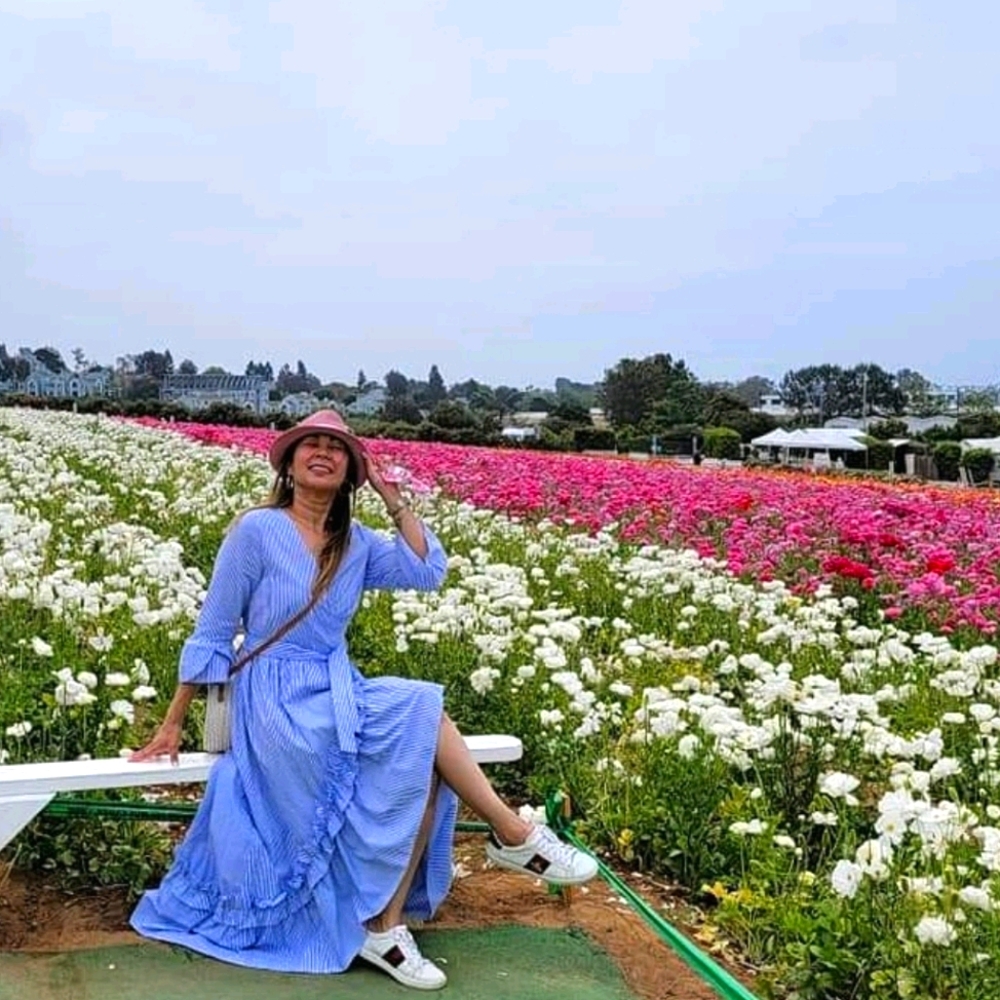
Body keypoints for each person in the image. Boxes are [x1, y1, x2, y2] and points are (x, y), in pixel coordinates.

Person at [129, 410, 596, 991]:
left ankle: (386, 923)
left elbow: (427, 571)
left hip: (334, 688)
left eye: (337, 448)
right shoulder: (255, 530)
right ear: (289, 464)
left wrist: (391, 497)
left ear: (352, 468)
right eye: (310, 445)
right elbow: (214, 628)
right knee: (422, 711)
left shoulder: (357, 543)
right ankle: (510, 833)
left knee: (421, 743)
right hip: (274, 702)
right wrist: (174, 720)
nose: (321, 453)